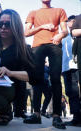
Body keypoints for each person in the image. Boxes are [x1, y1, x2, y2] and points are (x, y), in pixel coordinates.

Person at [23, 0, 68, 129]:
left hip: (55, 45)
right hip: (37, 46)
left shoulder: (60, 10)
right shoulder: (33, 12)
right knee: (36, 79)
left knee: (55, 79)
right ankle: (36, 115)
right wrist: (42, 27)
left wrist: (60, 34)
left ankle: (56, 116)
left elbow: (65, 31)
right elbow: (26, 33)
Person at [62, 15, 81, 126]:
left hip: (76, 67)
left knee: (76, 92)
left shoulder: (77, 37)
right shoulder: (63, 37)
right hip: (65, 68)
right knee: (70, 92)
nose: (72, 23)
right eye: (70, 21)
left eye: (74, 21)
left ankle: (78, 117)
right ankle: (76, 117)